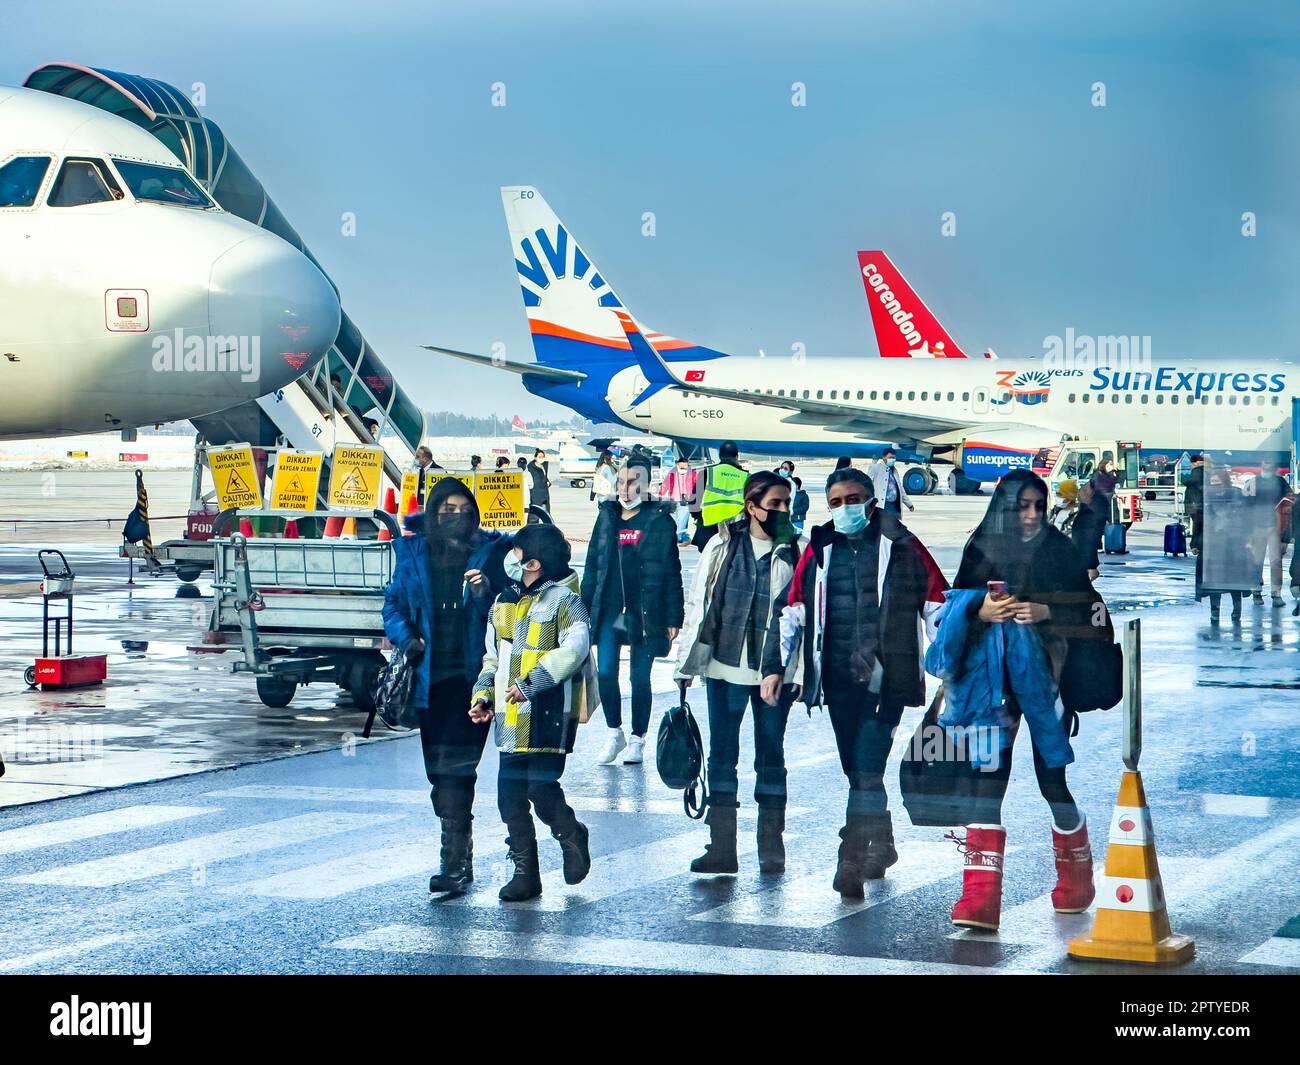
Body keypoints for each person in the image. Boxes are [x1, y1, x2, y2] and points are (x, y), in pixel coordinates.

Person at [760, 467, 948, 899]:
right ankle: (882, 843)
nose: (845, 508)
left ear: (872, 500)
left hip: (888, 677)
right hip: (838, 678)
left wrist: (948, 670)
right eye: (837, 501)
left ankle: (850, 859)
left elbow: (937, 605)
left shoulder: (902, 544)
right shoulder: (821, 547)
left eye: (853, 499)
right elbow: (793, 610)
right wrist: (775, 665)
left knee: (866, 768)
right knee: (858, 770)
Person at [928, 469, 1097, 930]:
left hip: (1048, 684)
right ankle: (980, 899)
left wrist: (1048, 611)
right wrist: (980, 610)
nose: (1031, 516)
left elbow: (1093, 611)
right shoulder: (981, 546)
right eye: (1022, 506)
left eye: (1039, 506)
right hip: (990, 685)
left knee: (1052, 780)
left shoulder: (1060, 550)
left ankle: (1077, 879)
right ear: (1004, 507)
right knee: (989, 780)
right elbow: (953, 606)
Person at [382, 477, 515, 895]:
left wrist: (482, 593)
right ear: (433, 512)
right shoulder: (413, 552)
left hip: (471, 679)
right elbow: (393, 604)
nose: (454, 518)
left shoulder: (491, 553)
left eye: (462, 510)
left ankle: (454, 859)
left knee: (460, 767)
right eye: (446, 510)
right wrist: (408, 640)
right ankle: (458, 845)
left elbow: (506, 610)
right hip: (429, 679)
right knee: (438, 769)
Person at [676, 472, 803, 874]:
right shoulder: (722, 543)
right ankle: (722, 846)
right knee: (722, 756)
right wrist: (685, 663)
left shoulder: (796, 551)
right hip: (724, 665)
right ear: (752, 507)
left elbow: (803, 618)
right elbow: (699, 603)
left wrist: (793, 671)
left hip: (773, 672)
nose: (783, 511)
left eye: (787, 504)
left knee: (771, 756)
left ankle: (771, 846)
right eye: (775, 504)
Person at [470, 524, 596, 902]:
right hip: (510, 719)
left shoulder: (565, 601)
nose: (511, 558)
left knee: (540, 789)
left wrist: (532, 682)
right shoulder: (503, 601)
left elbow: (576, 649)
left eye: (518, 552)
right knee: (508, 795)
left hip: (548, 715)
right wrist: (483, 696)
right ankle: (526, 873)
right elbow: (493, 657)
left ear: (535, 562)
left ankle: (570, 833)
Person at [582, 458, 683, 765]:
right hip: (610, 611)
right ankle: (615, 733)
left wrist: (673, 618)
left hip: (646, 612)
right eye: (621, 483)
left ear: (647, 485)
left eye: (632, 483)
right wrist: (584, 612)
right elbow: (592, 566)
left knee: (640, 678)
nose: (625, 490)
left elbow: (672, 573)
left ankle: (638, 738)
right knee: (608, 673)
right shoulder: (607, 517)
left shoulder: (659, 521)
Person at [1197, 465, 1256, 624]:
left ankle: (1236, 612)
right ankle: (1214, 612)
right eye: (1212, 482)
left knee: (1235, 582)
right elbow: (1200, 520)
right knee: (1214, 583)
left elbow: (1247, 518)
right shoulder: (1208, 497)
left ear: (1224, 481)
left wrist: (1248, 538)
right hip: (1214, 544)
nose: (1215, 485)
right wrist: (1196, 542)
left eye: (1217, 482)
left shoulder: (1236, 495)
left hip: (1233, 544)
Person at [692, 440, 746, 550]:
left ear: (720, 455)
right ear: (737, 456)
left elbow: (694, 502)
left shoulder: (707, 473)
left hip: (709, 528)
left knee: (709, 564)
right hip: (737, 529)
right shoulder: (746, 476)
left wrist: (698, 518)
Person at [1249, 457, 1288, 606]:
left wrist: (1285, 535)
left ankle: (1276, 593)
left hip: (1275, 527)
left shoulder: (1280, 483)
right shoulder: (1253, 482)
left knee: (1276, 561)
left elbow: (1288, 505)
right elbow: (1245, 506)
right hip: (1257, 526)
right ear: (1261, 464)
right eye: (1265, 461)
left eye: (1270, 462)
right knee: (1256, 560)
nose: (1267, 464)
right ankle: (1256, 591)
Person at [1069, 480, 1105, 581]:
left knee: (1091, 570)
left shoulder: (1093, 506)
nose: (1081, 492)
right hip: (1083, 540)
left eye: (1085, 490)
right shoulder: (1085, 507)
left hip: (1086, 541)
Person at [658, 456, 699, 544]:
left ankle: (678, 536)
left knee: (682, 521)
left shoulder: (693, 473)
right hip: (673, 500)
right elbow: (665, 485)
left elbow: (697, 486)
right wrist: (660, 496)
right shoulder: (672, 473)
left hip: (686, 501)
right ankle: (676, 536)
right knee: (673, 520)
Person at [867, 449, 915, 516]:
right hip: (882, 506)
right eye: (890, 457)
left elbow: (900, 489)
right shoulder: (876, 468)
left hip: (894, 507)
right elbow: (867, 481)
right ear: (883, 457)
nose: (892, 459)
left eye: (894, 458)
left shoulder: (894, 471)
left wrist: (909, 504)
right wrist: (873, 464)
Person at [1183, 454, 1205, 555]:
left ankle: (1195, 546)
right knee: (1199, 526)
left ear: (1195, 463)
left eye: (1191, 463)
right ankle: (1197, 545)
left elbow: (1187, 481)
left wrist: (1183, 476)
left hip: (1195, 505)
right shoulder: (1204, 472)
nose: (1190, 465)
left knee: (1197, 526)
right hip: (1198, 504)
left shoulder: (1197, 471)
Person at [526, 449, 551, 516]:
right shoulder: (530, 468)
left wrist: (547, 481)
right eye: (540, 457)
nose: (541, 458)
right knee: (535, 516)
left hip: (544, 494)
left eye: (543, 456)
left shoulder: (544, 466)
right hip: (535, 495)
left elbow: (543, 477)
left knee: (546, 515)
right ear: (535, 457)